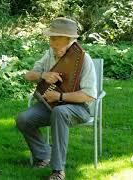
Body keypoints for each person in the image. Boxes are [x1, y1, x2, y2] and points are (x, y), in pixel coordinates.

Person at [15, 17, 97, 180]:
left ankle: (58, 170)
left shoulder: (83, 60)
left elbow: (89, 95)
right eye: (50, 38)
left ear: (68, 40)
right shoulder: (49, 54)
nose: (51, 43)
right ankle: (44, 155)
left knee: (60, 112)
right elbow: (28, 75)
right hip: (49, 105)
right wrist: (43, 75)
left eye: (54, 38)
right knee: (23, 119)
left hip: (79, 109)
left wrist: (60, 96)